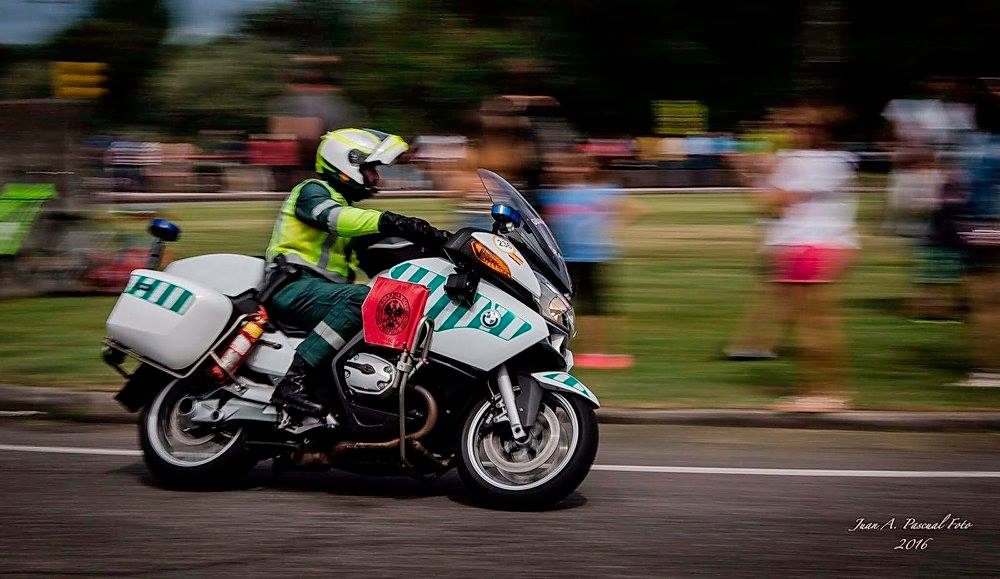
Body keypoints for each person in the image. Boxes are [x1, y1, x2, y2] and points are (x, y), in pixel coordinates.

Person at [264, 128, 448, 417]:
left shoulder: (350, 216)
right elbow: (334, 219)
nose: (376, 177)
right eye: (370, 169)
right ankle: (293, 381)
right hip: (293, 286)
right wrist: (393, 221)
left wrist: (442, 245)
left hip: (318, 294)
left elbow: (391, 252)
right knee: (366, 300)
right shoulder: (312, 192)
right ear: (345, 163)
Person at [764, 105, 859, 412]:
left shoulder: (800, 161)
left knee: (810, 324)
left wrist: (761, 173)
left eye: (793, 125)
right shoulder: (840, 160)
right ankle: (829, 390)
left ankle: (820, 393)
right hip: (829, 243)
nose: (788, 130)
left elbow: (774, 202)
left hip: (805, 245)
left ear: (810, 131)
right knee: (821, 322)